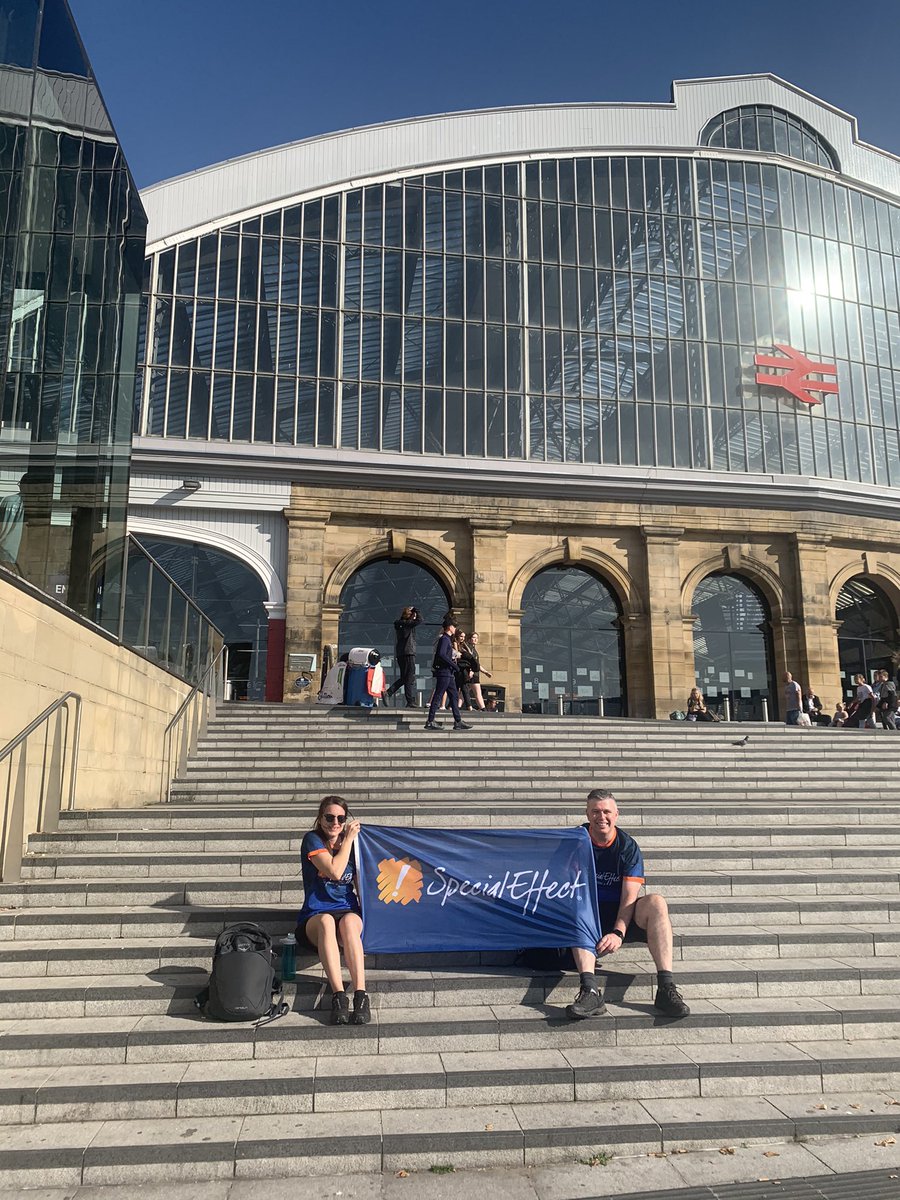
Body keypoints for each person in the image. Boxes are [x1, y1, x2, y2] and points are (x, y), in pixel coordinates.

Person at [566, 789, 690, 1020]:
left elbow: (629, 899)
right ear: (587, 814)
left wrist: (618, 932)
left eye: (606, 811)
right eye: (595, 811)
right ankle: (590, 990)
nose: (601, 817)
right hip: (585, 916)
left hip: (619, 914)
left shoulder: (627, 847)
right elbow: (567, 889)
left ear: (616, 814)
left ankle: (666, 987)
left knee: (656, 903)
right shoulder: (575, 841)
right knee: (578, 905)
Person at [296, 796, 370, 1025]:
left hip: (347, 910)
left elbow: (360, 885)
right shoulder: (313, 840)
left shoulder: (353, 844)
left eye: (340, 818)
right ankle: (338, 995)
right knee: (327, 921)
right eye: (329, 817)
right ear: (320, 819)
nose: (335, 823)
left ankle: (361, 995)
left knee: (349, 922)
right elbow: (335, 872)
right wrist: (348, 839)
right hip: (316, 915)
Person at [424, 619, 471, 732]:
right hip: (444, 672)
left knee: (454, 696)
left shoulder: (447, 639)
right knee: (438, 695)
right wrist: (454, 665)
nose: (455, 629)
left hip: (448, 673)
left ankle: (458, 721)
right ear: (450, 627)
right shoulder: (444, 639)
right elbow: (441, 654)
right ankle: (430, 721)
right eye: (454, 627)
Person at [386, 606, 422, 707]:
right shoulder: (408, 624)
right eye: (412, 615)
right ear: (409, 616)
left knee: (405, 678)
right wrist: (416, 610)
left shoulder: (401, 624)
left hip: (401, 654)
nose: (414, 617)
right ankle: (409, 701)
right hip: (408, 653)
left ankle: (390, 692)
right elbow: (420, 620)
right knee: (409, 677)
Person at [466, 632, 493, 711]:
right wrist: (470, 670)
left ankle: (454, 707)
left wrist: (485, 672)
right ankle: (483, 709)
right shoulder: (469, 649)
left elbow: (477, 664)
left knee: (464, 693)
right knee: (478, 692)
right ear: (469, 639)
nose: (476, 639)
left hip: (474, 673)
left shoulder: (473, 650)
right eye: (474, 637)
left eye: (477, 638)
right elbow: (469, 662)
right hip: (473, 674)